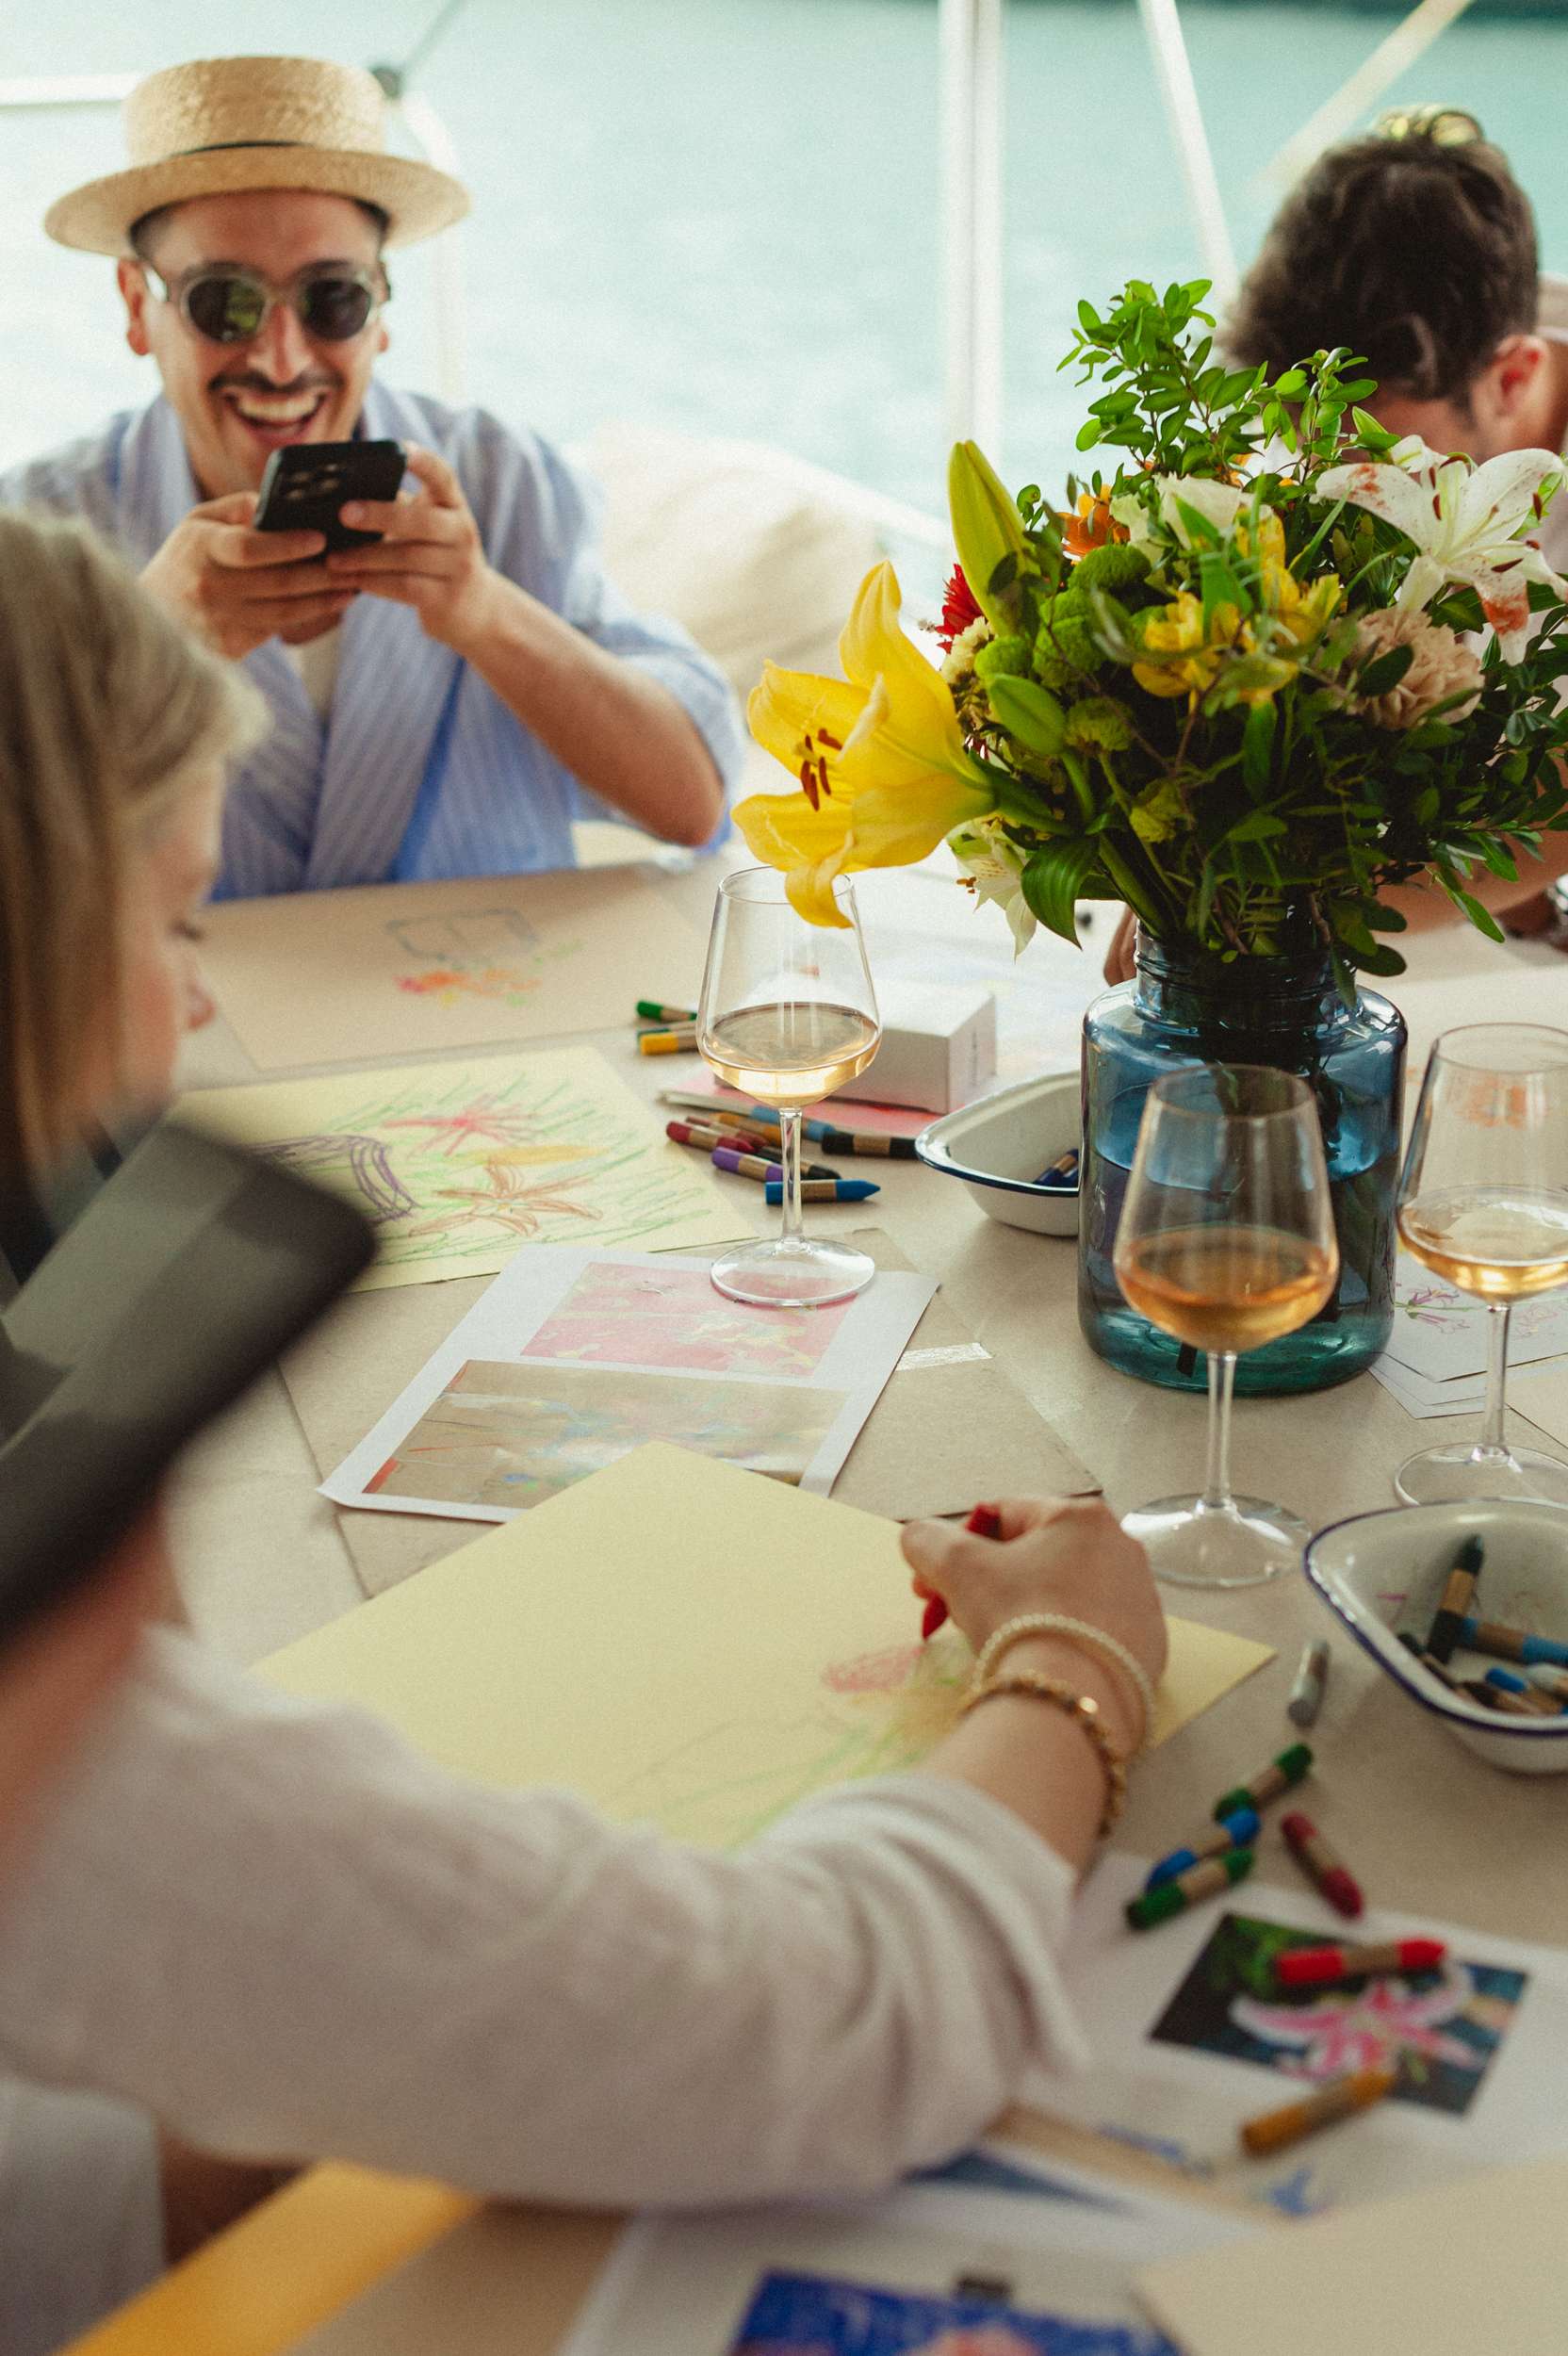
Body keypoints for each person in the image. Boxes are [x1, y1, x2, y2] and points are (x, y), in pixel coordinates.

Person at [0, 511, 1166, 2351]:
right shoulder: (37, 1645)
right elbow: (821, 2023)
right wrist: (1074, 1666)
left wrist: (166, 2169)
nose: (200, 989)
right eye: (169, 921)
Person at [0, 55, 740, 900]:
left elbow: (694, 804)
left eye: (332, 300)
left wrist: (484, 612)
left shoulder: (504, 484)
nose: (282, 359)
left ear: (382, 310)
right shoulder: (37, 534)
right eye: (224, 302)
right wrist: (146, 648)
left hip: (495, 1017)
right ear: (138, 307)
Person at [1101, 114, 1568, 982]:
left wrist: (1279, 908)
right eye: (1304, 441)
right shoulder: (1358, 406)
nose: (1339, 495)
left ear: (1513, 379)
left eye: (1375, 463)